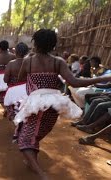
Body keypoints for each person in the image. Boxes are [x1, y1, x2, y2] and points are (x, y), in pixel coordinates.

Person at [16, 29, 111, 180]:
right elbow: (74, 82)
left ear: (35, 43)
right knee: (35, 134)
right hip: (54, 105)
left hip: (36, 105)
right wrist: (99, 80)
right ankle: (31, 163)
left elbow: (20, 77)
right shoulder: (58, 62)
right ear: (54, 45)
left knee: (25, 139)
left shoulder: (29, 60)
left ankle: (41, 174)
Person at [3, 42, 28, 121]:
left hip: (12, 92)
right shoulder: (30, 63)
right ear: (27, 52)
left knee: (12, 109)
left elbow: (5, 80)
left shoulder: (11, 64)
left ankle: (16, 127)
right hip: (27, 91)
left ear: (15, 52)